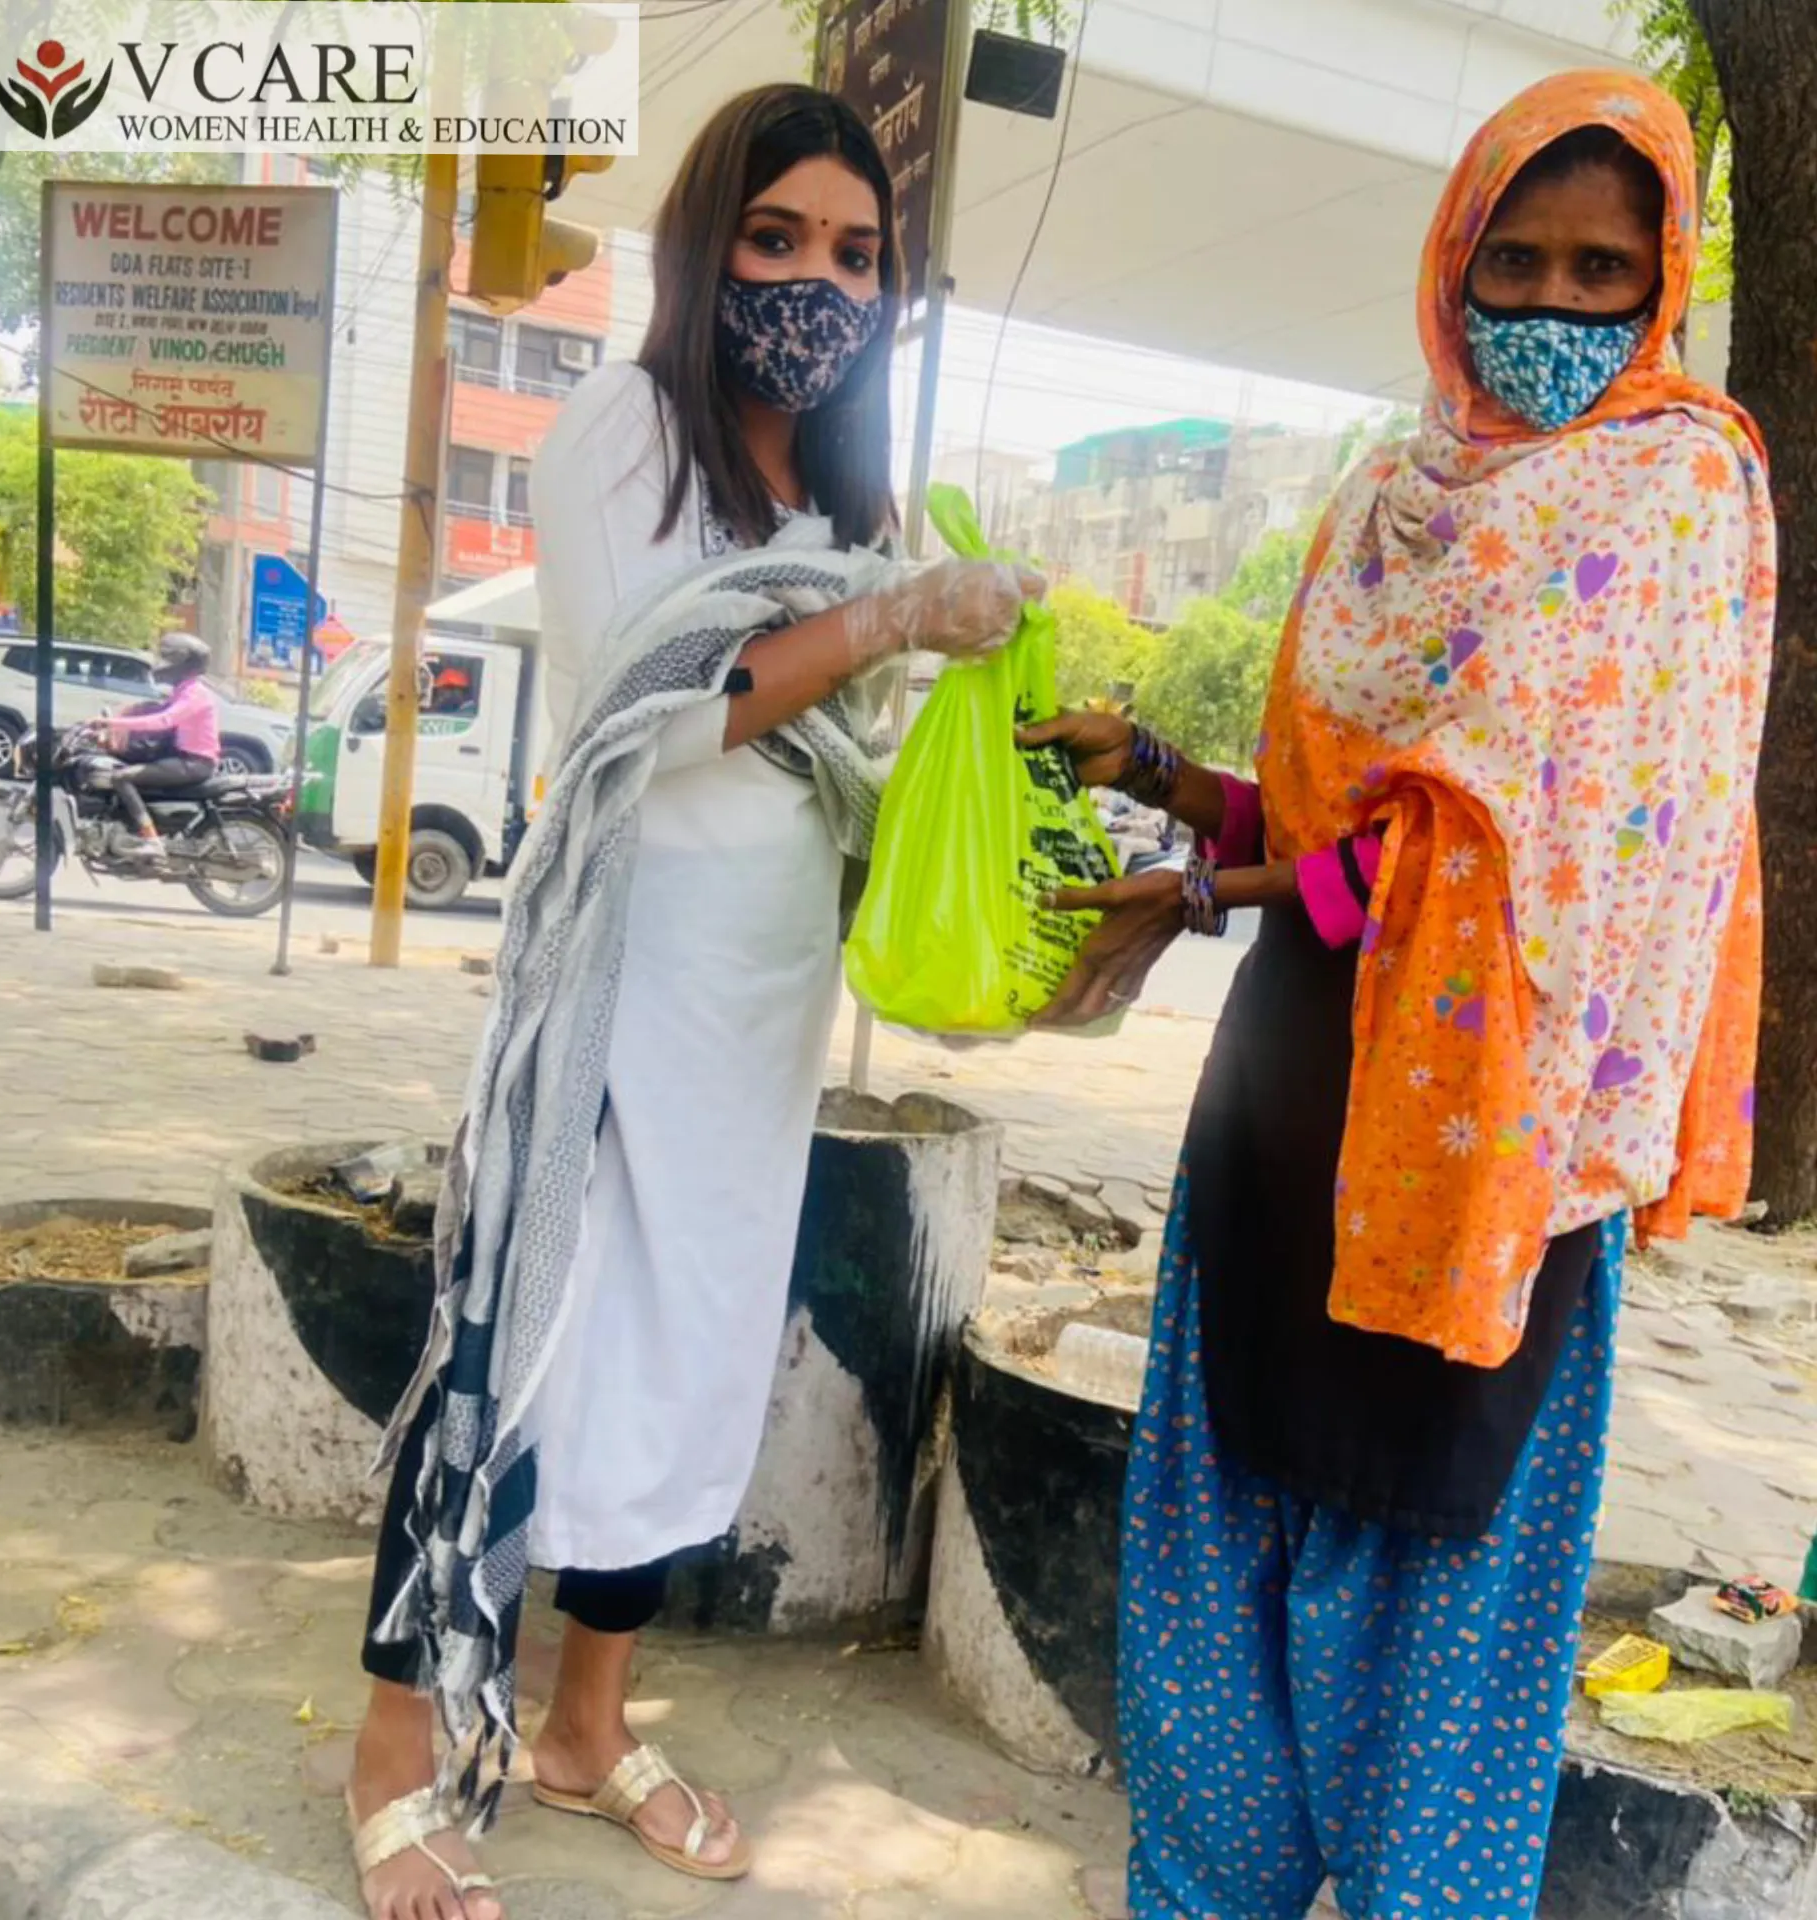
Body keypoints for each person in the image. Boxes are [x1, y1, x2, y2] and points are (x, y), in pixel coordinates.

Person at [1028, 72, 1772, 1919]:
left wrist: (1218, 889)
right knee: (1217, 1584)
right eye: (1515, 259)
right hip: (1289, 1107)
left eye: (1600, 271)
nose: (1549, 305)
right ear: (1453, 262)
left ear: (1662, 281)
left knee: (1438, 1629)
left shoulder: (1681, 495)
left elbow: (1514, 856)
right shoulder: (1388, 495)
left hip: (1493, 1170)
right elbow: (1343, 839)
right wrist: (1172, 782)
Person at [344, 84, 1042, 1920]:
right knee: (526, 1342)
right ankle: (395, 1755)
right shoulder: (623, 429)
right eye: (777, 238)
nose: (821, 284)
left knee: (689, 1361)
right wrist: (891, 620)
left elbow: (838, 762)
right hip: (615, 982)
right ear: (705, 246)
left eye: (858, 256)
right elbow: (648, 715)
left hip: (758, 1010)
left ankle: (585, 1729)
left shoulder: (840, 502)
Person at [96, 632, 220, 857]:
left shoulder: (195, 694)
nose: (162, 664)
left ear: (183, 663)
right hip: (183, 759)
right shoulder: (184, 690)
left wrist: (112, 723)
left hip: (194, 763)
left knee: (121, 778)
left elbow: (163, 721)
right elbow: (157, 713)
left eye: (169, 658)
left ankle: (151, 839)